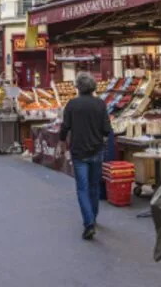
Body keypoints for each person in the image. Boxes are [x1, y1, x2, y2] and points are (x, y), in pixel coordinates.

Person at [59, 73, 111, 240]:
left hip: (79, 152)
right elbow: (106, 130)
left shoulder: (72, 105)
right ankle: (93, 218)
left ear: (78, 87)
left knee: (82, 188)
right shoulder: (100, 104)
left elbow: (65, 127)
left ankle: (88, 222)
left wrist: (61, 143)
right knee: (94, 186)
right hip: (96, 150)